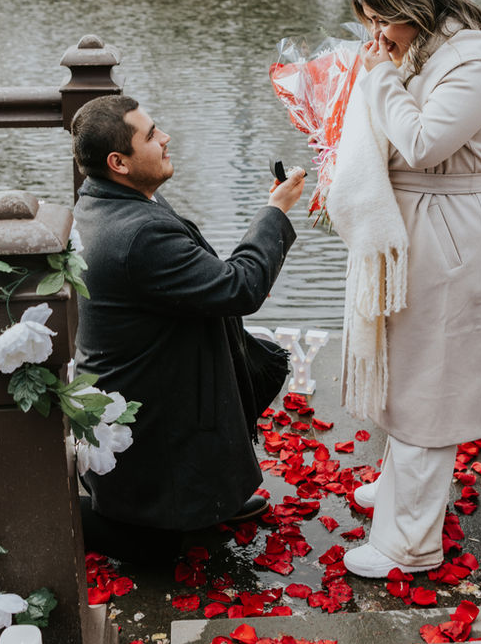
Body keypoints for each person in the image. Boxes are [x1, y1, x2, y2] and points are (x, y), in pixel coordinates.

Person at [325, 0, 481, 578]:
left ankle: (409, 544)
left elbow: (423, 142)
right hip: (423, 225)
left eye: (385, 22)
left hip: (450, 230)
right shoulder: (427, 48)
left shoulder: (477, 66)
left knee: (432, 378)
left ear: (417, 7)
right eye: (369, 24)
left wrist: (377, 79)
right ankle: (401, 491)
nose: (376, 38)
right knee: (408, 364)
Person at [70, 94, 305, 554]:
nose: (165, 137)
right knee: (158, 549)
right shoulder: (138, 233)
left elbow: (210, 280)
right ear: (118, 161)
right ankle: (23, 518)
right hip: (145, 414)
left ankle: (207, 500)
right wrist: (275, 211)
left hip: (144, 379)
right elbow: (239, 288)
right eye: (151, 135)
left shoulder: (106, 200)